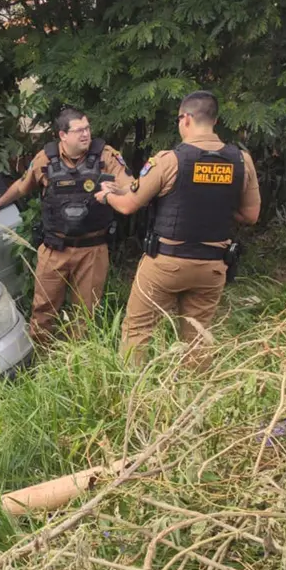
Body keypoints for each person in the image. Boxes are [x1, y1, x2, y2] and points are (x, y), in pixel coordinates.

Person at [94, 91, 260, 365]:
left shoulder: (169, 159)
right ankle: (191, 400)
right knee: (197, 337)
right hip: (212, 266)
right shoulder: (242, 161)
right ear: (214, 121)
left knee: (138, 330)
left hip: (166, 263)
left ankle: (130, 396)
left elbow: (128, 206)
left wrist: (107, 196)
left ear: (185, 119)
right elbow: (251, 214)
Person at [0, 107, 132, 343]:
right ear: (62, 135)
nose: (86, 134)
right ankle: (41, 360)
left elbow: (130, 185)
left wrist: (117, 189)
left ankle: (78, 365)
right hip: (55, 248)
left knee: (86, 314)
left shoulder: (106, 156)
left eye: (87, 128)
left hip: (92, 250)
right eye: (79, 130)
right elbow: (22, 186)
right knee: (43, 309)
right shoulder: (45, 158)